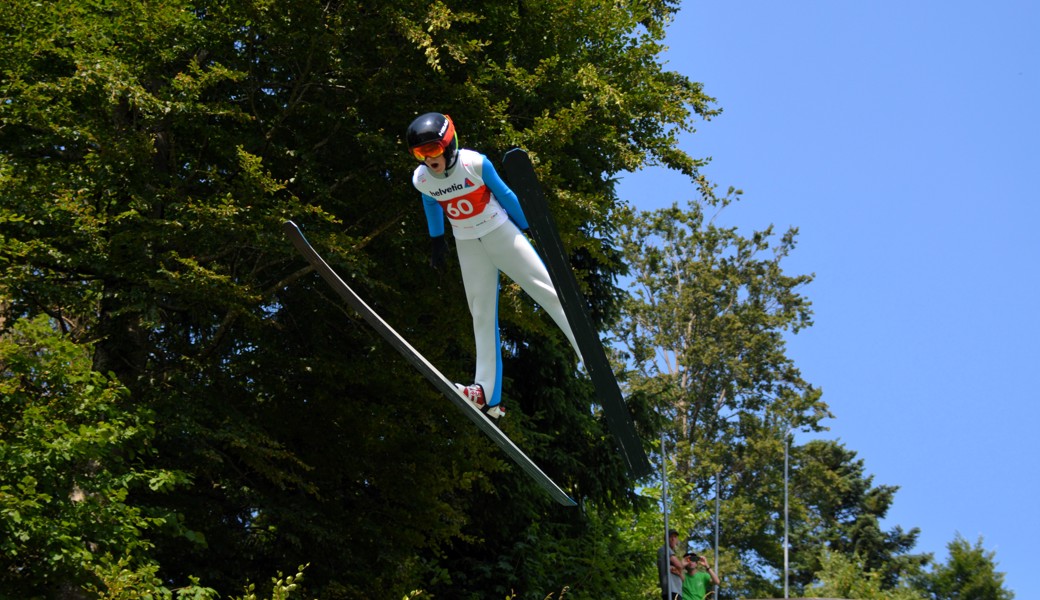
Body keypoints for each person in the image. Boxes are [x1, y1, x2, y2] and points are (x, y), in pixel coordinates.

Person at [406, 112, 580, 419]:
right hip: (467, 243)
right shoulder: (421, 179)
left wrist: (529, 226)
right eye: (421, 153)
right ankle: (485, 393)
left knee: (547, 290)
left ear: (449, 145)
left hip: (500, 233)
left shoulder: (474, 163)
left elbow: (506, 194)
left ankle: (587, 352)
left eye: (433, 150)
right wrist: (437, 239)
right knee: (481, 313)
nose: (428, 159)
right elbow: (431, 203)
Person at [657, 529, 684, 600]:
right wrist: (680, 567)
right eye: (670, 537)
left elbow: (683, 578)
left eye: (675, 537)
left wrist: (678, 572)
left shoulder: (671, 552)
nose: (673, 539)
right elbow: (679, 565)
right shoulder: (665, 549)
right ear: (665, 538)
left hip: (676, 590)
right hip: (671, 590)